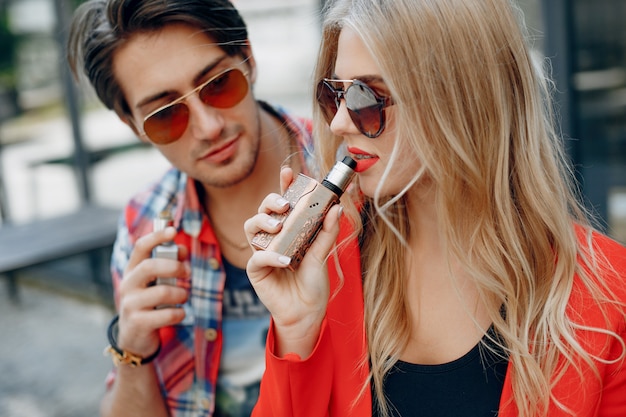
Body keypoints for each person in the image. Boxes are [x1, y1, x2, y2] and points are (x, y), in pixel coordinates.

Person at [243, 0, 626, 416]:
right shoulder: (326, 264)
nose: (338, 123)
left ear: (460, 101)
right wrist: (297, 332)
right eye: (334, 93)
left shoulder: (604, 293)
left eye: (364, 97)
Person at [66, 0, 314, 416]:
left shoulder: (353, 178)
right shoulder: (144, 224)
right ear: (133, 127)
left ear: (248, 60)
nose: (208, 127)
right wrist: (133, 351)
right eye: (166, 115)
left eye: (218, 84)